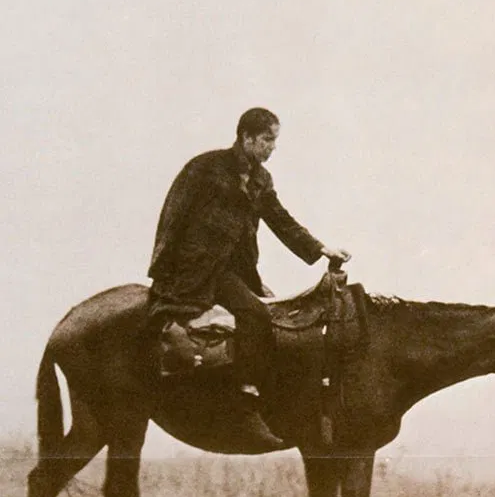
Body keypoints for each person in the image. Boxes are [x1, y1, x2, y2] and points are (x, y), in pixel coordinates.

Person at [148, 108, 350, 448]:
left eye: (275, 140)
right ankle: (246, 400)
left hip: (236, 271)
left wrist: (321, 250)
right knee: (254, 315)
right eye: (268, 139)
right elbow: (173, 215)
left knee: (273, 314)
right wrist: (165, 272)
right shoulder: (205, 168)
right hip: (199, 271)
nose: (273, 147)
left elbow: (280, 220)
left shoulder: (260, 180)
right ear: (247, 137)